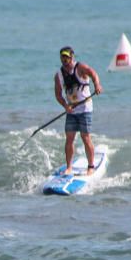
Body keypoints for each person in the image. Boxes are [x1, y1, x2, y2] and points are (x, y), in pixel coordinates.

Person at [54, 46, 103, 175]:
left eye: (67, 57)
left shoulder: (80, 68)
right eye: (62, 57)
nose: (65, 60)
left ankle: (91, 166)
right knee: (69, 138)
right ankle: (69, 167)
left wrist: (97, 84)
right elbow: (58, 94)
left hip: (85, 108)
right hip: (71, 110)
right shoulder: (59, 75)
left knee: (85, 137)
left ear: (72, 57)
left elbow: (93, 73)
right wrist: (65, 106)